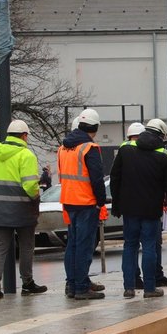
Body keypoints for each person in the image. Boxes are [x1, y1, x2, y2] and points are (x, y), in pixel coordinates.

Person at [110, 118, 167, 298]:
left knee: (129, 246)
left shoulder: (125, 151)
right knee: (149, 247)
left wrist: (116, 204)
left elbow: (115, 178)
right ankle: (149, 289)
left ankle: (129, 287)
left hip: (129, 209)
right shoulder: (165, 156)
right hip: (151, 211)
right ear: (162, 136)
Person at [0, 120, 47, 299]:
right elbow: (30, 186)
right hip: (23, 210)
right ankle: (27, 283)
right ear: (24, 136)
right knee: (26, 246)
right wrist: (36, 199)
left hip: (0, 209)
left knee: (0, 247)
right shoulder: (26, 155)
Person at [58, 109, 107, 300]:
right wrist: (101, 201)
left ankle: (72, 284)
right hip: (86, 203)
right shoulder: (89, 148)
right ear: (94, 127)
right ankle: (81, 288)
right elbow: (97, 179)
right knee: (84, 247)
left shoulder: (63, 148)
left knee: (72, 245)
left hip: (68, 201)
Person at [131, 120, 167, 289]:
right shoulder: (166, 154)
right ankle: (153, 280)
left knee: (131, 246)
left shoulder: (128, 149)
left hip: (132, 207)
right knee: (152, 245)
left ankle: (133, 282)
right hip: (152, 207)